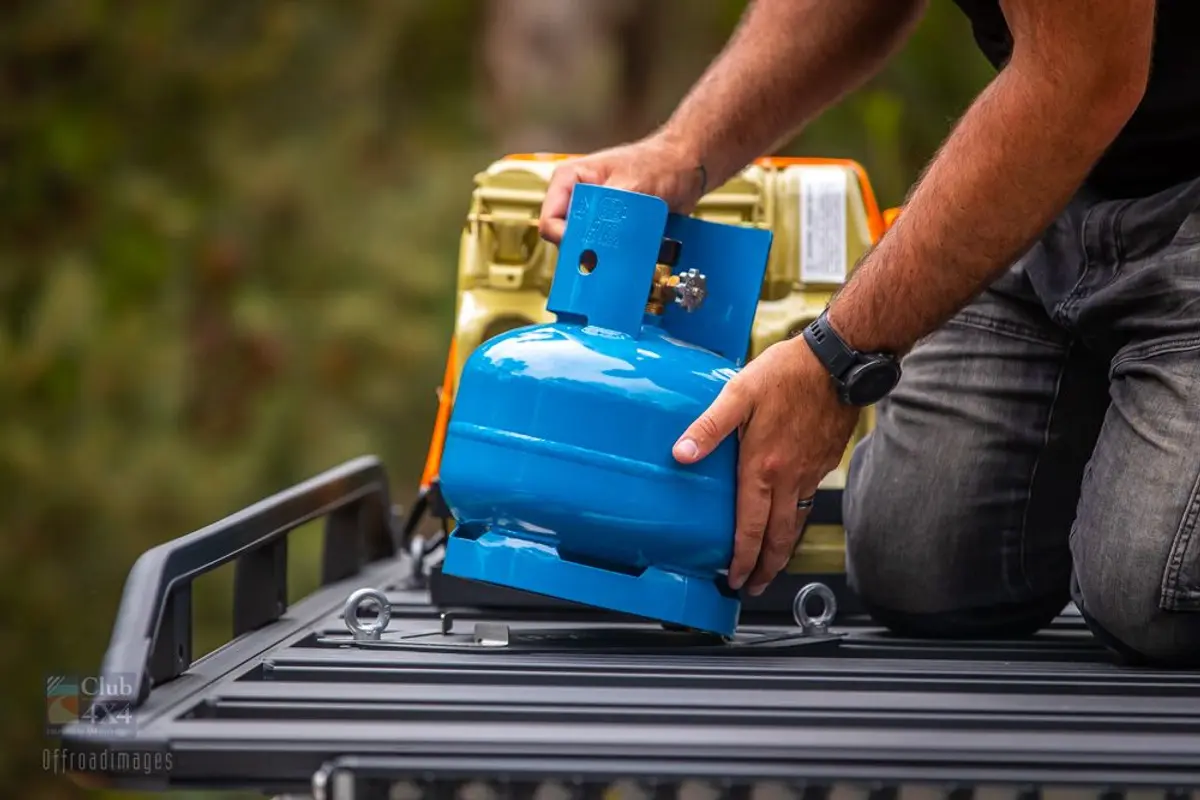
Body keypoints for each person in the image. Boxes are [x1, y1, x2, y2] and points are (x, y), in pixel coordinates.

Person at [536, 0, 1200, 667]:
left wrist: (836, 361)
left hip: (1122, 138)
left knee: (1149, 591)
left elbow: (1086, 79)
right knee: (920, 566)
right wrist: (683, 149)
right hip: (1068, 179)